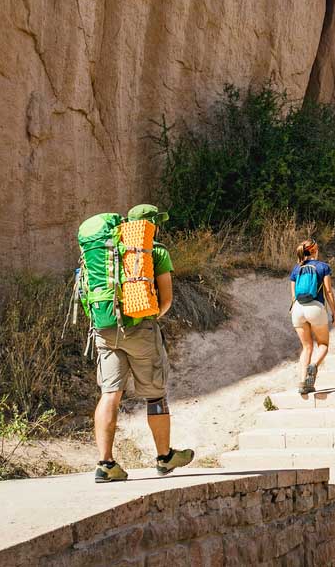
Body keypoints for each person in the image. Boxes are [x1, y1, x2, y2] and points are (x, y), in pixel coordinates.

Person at [93, 204, 194, 483]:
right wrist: (147, 318)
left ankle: (106, 463)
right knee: (155, 393)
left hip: (104, 327)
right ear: (152, 225)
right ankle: (164, 456)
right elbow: (167, 299)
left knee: (110, 393)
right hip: (140, 328)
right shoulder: (155, 250)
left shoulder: (107, 249)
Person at [289, 239, 335, 393]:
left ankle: (303, 382)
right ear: (315, 251)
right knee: (323, 344)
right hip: (315, 308)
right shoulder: (323, 267)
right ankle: (314, 365)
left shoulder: (296, 269)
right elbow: (328, 292)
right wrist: (334, 314)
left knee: (306, 347)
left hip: (298, 309)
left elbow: (293, 295)